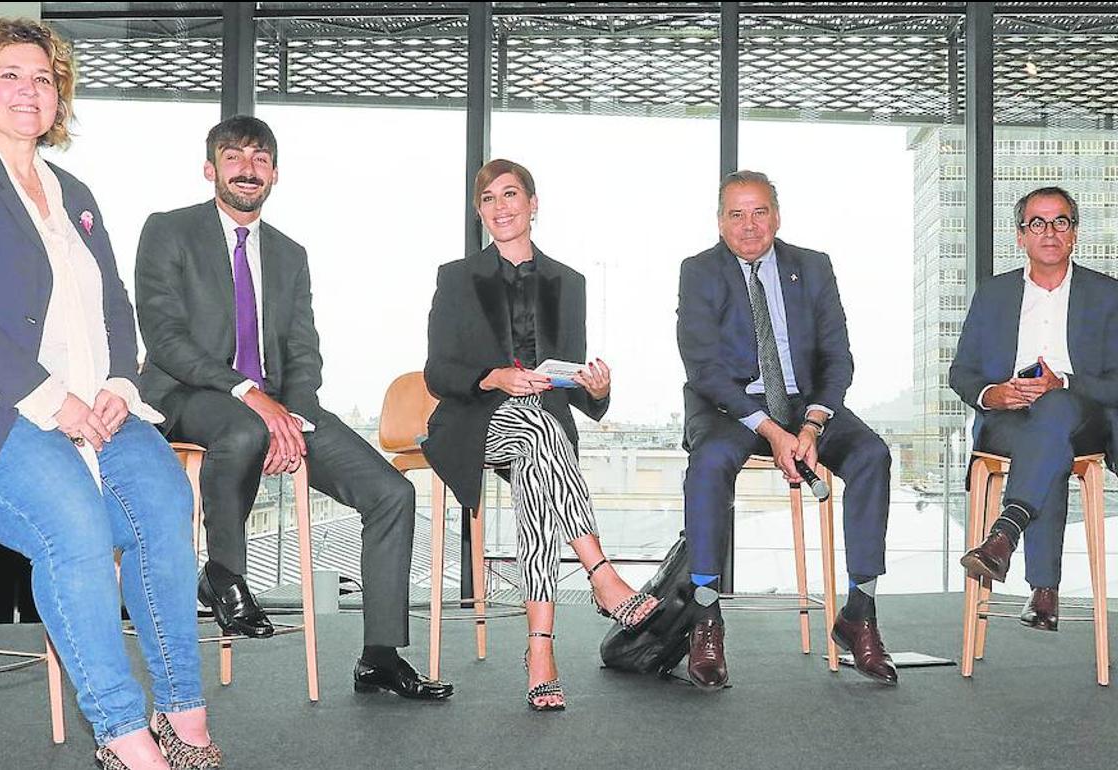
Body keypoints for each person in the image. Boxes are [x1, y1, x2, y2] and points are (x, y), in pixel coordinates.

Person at [0, 19, 219, 770]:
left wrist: (120, 382)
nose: (31, 90)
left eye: (44, 78)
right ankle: (124, 738)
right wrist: (49, 398)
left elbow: (113, 301)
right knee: (75, 524)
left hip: (87, 406)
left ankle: (182, 716)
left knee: (164, 499)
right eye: (10, 75)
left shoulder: (74, 194)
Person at [134, 115, 451, 700]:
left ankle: (380, 656)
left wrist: (295, 417)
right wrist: (250, 396)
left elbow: (304, 351)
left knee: (392, 493)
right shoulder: (169, 231)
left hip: (278, 405)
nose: (247, 169)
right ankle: (224, 574)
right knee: (244, 429)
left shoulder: (289, 254)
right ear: (210, 169)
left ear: (275, 174)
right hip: (186, 395)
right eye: (234, 157)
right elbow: (165, 337)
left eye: (260, 159)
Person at [423, 158, 660, 711]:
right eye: (488, 199)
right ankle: (600, 574)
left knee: (537, 449)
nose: (500, 207)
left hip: (540, 431)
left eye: (510, 194)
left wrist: (596, 389)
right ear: (480, 212)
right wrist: (495, 377)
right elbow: (438, 372)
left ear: (533, 204)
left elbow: (569, 378)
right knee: (537, 428)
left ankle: (540, 650)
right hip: (475, 421)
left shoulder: (567, 282)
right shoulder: (455, 278)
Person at [676, 170, 897, 690]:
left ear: (776, 216)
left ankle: (860, 612)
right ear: (720, 222)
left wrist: (814, 422)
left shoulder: (812, 267)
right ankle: (705, 616)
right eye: (736, 214)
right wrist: (773, 432)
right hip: (732, 407)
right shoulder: (699, 271)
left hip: (806, 405)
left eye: (759, 212)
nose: (749, 225)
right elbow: (703, 368)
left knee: (873, 455)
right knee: (708, 463)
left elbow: (838, 357)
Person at [954, 186, 1118, 631]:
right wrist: (993, 393)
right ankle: (1042, 588)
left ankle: (1005, 535)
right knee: (1047, 443)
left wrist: (1064, 382)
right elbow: (962, 372)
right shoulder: (993, 294)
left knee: (1056, 409)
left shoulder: (1107, 294)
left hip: (1083, 415)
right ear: (1021, 235)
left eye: (1060, 221)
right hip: (1008, 420)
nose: (1049, 232)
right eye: (1037, 223)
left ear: (1074, 233)